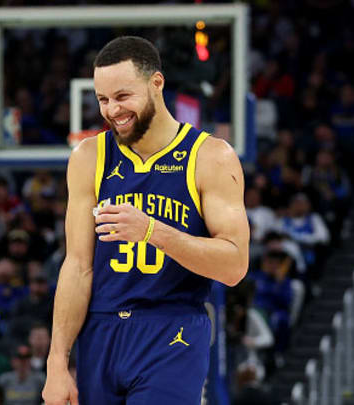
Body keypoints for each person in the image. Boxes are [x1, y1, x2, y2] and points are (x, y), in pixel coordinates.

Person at [42, 36, 249, 404]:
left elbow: (234, 265)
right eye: (103, 100)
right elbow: (77, 268)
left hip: (172, 329)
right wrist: (57, 364)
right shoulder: (89, 157)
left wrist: (153, 231)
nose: (111, 111)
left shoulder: (210, 156)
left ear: (157, 83)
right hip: (101, 331)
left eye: (122, 97)